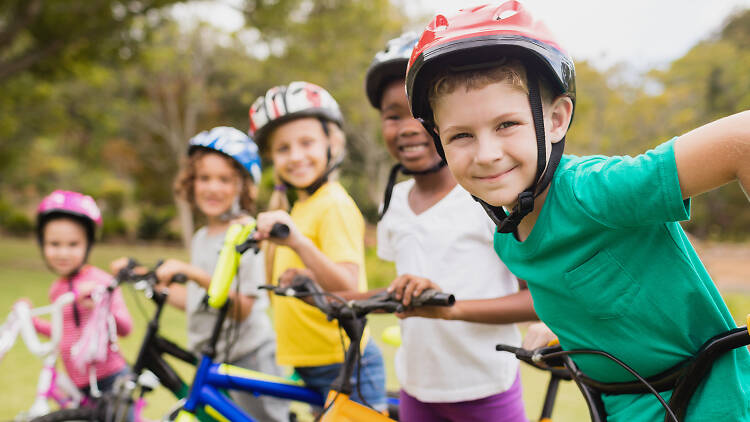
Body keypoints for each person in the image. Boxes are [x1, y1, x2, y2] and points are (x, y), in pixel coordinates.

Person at [404, 1, 750, 421]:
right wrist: (562, 327)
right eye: (461, 135)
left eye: (506, 125)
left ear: (555, 119)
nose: (487, 154)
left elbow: (743, 138)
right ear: (439, 141)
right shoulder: (509, 236)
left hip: (715, 402)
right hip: (622, 406)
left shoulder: (594, 190)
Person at [365, 32, 536, 422]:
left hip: (486, 388)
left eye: (417, 112)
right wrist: (332, 297)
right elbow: (402, 289)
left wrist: (449, 308)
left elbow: (536, 300)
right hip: (416, 389)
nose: (407, 127)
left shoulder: (491, 196)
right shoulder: (391, 204)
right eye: (393, 115)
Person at [111, 127, 288, 422]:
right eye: (204, 178)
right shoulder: (201, 237)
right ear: (191, 183)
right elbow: (199, 299)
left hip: (249, 356)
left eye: (224, 179)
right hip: (215, 357)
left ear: (242, 186)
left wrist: (191, 272)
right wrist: (145, 276)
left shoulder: (247, 233)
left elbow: (243, 308)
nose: (212, 188)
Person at [248, 82, 388, 412]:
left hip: (345, 364)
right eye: (283, 149)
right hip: (311, 364)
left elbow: (347, 286)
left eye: (307, 142)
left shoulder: (333, 205)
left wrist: (296, 241)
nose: (296, 156)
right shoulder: (297, 207)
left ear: (332, 144)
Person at [32, 190, 133, 398]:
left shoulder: (102, 282)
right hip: (77, 384)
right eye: (54, 244)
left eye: (73, 244)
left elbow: (125, 328)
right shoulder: (56, 289)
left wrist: (99, 305)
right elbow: (63, 332)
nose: (63, 253)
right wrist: (32, 320)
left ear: (88, 244)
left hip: (110, 378)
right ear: (43, 244)